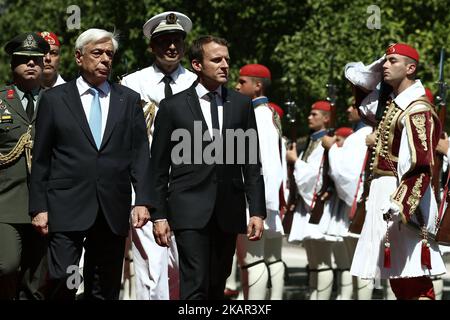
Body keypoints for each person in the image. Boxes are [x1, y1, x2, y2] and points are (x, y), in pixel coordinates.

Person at [28, 28, 153, 300]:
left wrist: (142, 199)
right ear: (79, 57)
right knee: (63, 276)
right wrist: (38, 206)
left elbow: (140, 154)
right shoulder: (54, 99)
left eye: (110, 54)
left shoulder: (128, 99)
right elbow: (41, 158)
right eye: (97, 53)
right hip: (66, 204)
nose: (105, 59)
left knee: (105, 284)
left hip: (112, 206)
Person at [150, 35, 266, 300]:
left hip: (228, 210)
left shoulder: (241, 105)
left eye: (227, 59)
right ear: (196, 65)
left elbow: (251, 163)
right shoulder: (172, 107)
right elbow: (157, 167)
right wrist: (159, 215)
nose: (225, 64)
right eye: (216, 59)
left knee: (217, 282)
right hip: (188, 210)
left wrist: (257, 210)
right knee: (195, 282)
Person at [350, 43, 446, 300]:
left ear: (411, 68)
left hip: (402, 196)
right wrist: (374, 70)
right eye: (385, 61)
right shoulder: (392, 103)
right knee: (399, 279)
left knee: (413, 277)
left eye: (393, 61)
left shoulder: (417, 109)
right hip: (385, 193)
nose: (385, 65)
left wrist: (402, 204)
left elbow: (420, 165)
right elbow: (362, 96)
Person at [121, 11, 197, 300]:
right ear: (152, 46)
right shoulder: (132, 84)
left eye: (177, 40)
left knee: (184, 266)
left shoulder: (196, 82)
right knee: (150, 268)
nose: (172, 47)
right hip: (146, 185)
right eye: (165, 41)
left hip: (188, 185)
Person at [0, 32, 50, 300]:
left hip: (45, 202)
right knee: (6, 265)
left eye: (36, 60)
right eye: (23, 59)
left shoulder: (58, 101)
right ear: (12, 65)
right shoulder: (0, 99)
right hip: (5, 201)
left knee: (36, 278)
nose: (30, 64)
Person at [234, 63, 286, 299]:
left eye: (242, 81)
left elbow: (264, 164)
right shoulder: (261, 114)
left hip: (252, 202)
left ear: (257, 86)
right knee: (250, 261)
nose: (236, 85)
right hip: (253, 199)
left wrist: (259, 206)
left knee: (252, 261)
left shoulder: (260, 116)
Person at [286, 100, 337, 299]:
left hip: (319, 205)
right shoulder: (311, 141)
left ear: (326, 118)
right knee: (314, 261)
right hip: (309, 205)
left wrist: (295, 161)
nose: (309, 117)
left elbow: (315, 175)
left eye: (314, 114)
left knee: (322, 261)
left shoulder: (325, 141)